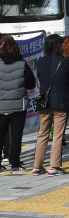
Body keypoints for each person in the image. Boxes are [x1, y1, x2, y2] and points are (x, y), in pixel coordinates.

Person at [33, 34, 69, 176]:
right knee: (58, 134)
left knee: (42, 134)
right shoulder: (66, 61)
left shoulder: (40, 61)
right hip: (61, 102)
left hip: (45, 102)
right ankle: (54, 166)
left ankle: (37, 166)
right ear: (59, 46)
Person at [0, 36, 36, 173]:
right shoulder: (23, 64)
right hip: (18, 106)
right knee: (16, 135)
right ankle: (14, 164)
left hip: (1, 105)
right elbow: (31, 84)